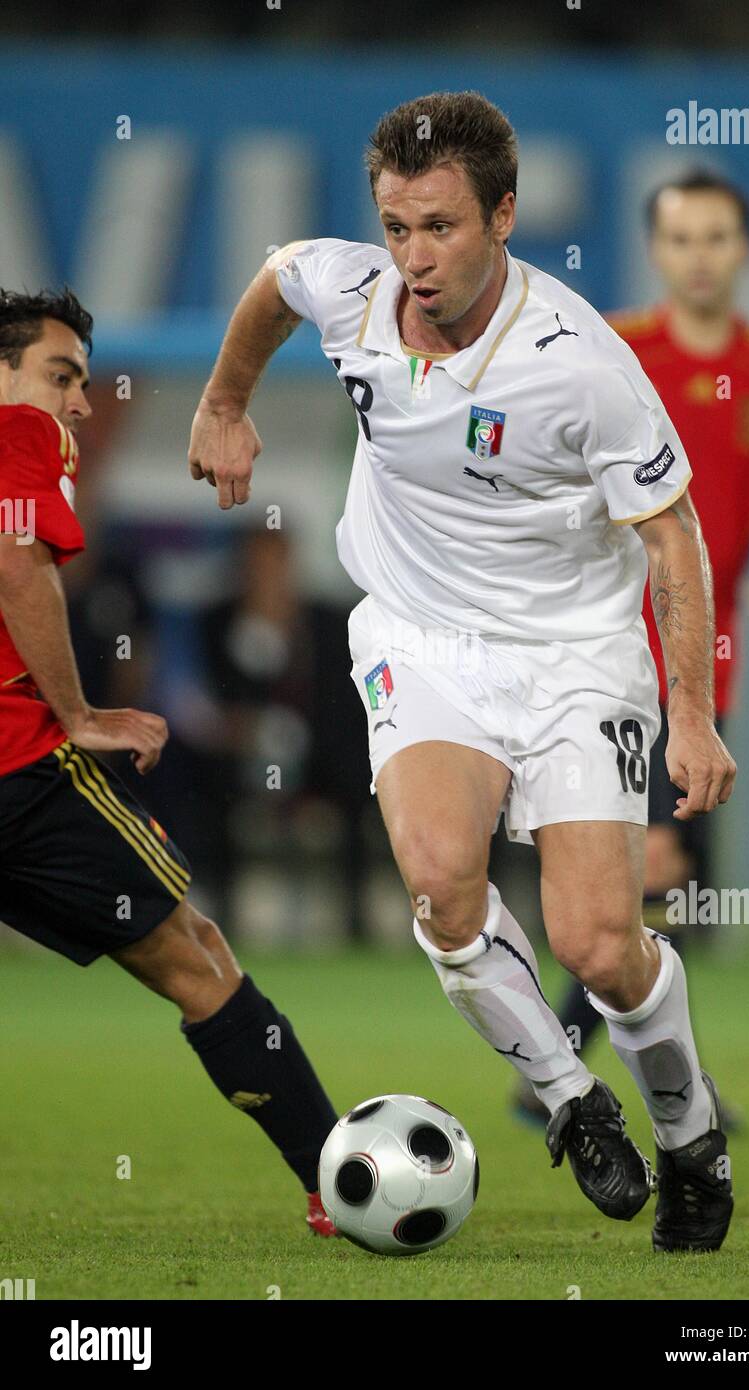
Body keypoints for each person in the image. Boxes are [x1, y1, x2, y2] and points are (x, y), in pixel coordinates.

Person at [188, 91, 738, 1252]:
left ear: (502, 215)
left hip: (575, 651)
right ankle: (572, 1099)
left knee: (598, 942)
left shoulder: (580, 363)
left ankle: (689, 1138)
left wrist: (690, 710)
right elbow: (278, 278)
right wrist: (225, 399)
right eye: (395, 226)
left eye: (439, 227)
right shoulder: (352, 291)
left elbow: (671, 537)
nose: (413, 257)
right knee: (439, 883)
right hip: (423, 636)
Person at [0, 288, 339, 1237]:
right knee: (197, 956)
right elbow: (15, 560)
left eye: (82, 382)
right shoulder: (18, 432)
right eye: (60, 376)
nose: (75, 402)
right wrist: (78, 712)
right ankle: (339, 1179)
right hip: (19, 770)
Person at [513, 170, 749, 1130]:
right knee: (647, 866)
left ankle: (568, 1068)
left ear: (743, 251)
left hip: (703, 663)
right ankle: (577, 1069)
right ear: (656, 252)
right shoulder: (612, 354)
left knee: (669, 880)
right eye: (682, 238)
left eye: (717, 238)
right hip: (603, 649)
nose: (699, 255)